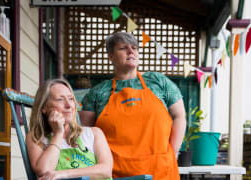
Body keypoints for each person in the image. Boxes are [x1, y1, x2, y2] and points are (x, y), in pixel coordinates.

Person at [80, 32, 187, 180]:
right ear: (111, 56)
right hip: (115, 172)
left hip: (160, 169)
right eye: (123, 48)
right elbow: (86, 134)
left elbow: (179, 115)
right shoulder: (98, 93)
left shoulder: (158, 81)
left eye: (134, 48)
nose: (131, 51)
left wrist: (174, 152)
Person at [26, 79, 113, 180]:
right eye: (60, 99)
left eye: (71, 99)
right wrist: (58, 133)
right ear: (44, 107)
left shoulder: (94, 133)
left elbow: (106, 170)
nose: (69, 105)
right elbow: (44, 171)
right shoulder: (36, 137)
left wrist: (64, 174)